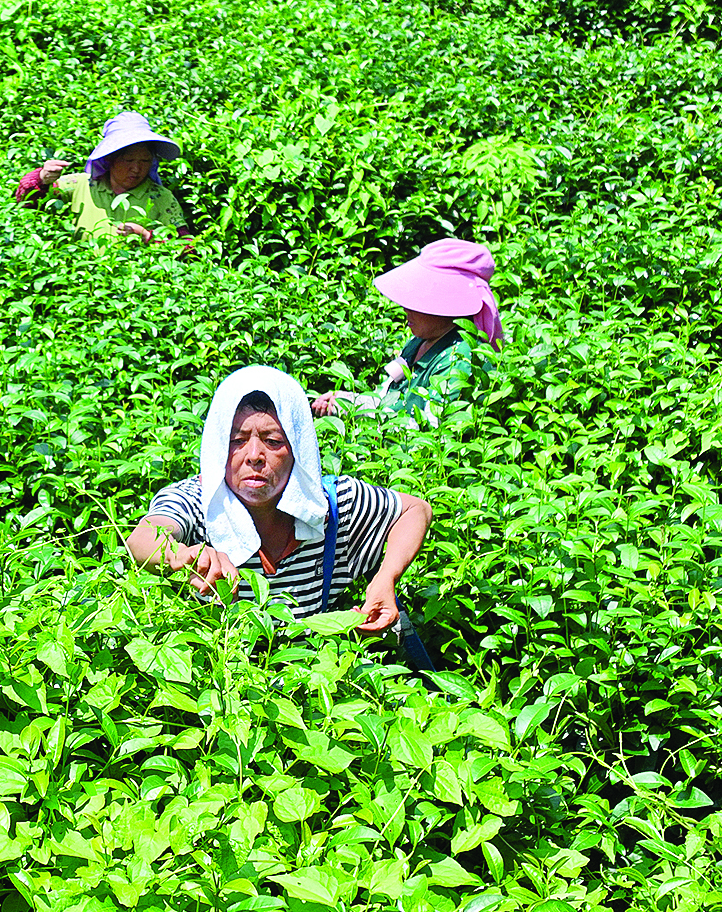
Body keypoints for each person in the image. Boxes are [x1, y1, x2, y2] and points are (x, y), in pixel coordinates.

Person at [128, 366, 432, 640]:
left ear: (299, 447)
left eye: (273, 441)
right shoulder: (199, 503)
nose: (254, 456)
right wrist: (183, 556)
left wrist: (385, 578)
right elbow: (142, 537)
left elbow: (415, 510)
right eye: (237, 441)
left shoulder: (330, 508)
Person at [313, 239, 503, 421]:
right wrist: (346, 401)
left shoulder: (461, 358)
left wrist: (356, 410)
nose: (405, 309)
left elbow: (428, 426)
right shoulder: (420, 341)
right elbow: (389, 397)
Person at [13, 112, 186, 243]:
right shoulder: (79, 185)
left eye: (145, 161)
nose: (136, 168)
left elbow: (187, 246)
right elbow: (25, 204)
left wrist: (147, 235)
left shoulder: (160, 197)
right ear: (110, 158)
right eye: (129, 160)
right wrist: (42, 178)